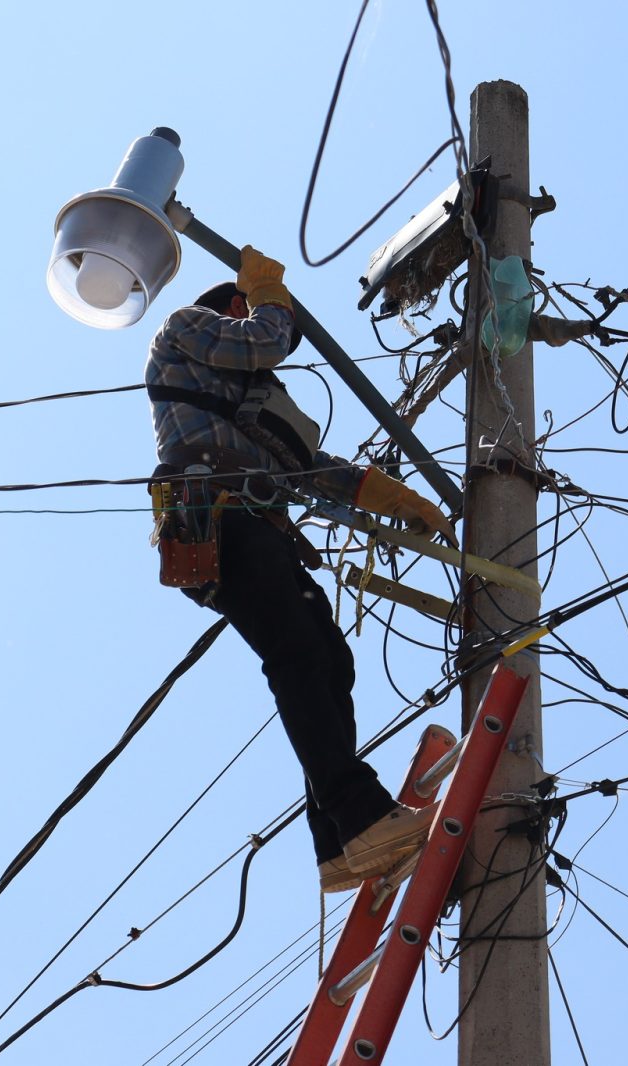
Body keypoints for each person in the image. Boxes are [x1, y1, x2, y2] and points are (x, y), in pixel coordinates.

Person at [145, 246, 457, 893]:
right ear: (231, 308)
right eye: (247, 307)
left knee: (329, 661)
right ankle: (362, 817)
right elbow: (266, 338)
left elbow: (315, 472)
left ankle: (340, 846)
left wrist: (394, 499)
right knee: (295, 658)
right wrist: (265, 294)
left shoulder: (251, 401)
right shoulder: (187, 329)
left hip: (258, 529)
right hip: (217, 517)